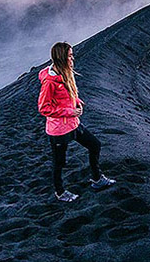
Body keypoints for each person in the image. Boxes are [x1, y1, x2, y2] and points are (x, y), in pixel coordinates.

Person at [38, 42, 115, 202]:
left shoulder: (65, 72)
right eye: (69, 56)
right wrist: (69, 111)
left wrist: (77, 101)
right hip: (59, 130)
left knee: (95, 145)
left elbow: (68, 94)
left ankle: (97, 179)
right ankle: (60, 192)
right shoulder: (50, 82)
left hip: (73, 124)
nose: (72, 58)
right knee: (59, 162)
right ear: (61, 58)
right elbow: (43, 108)